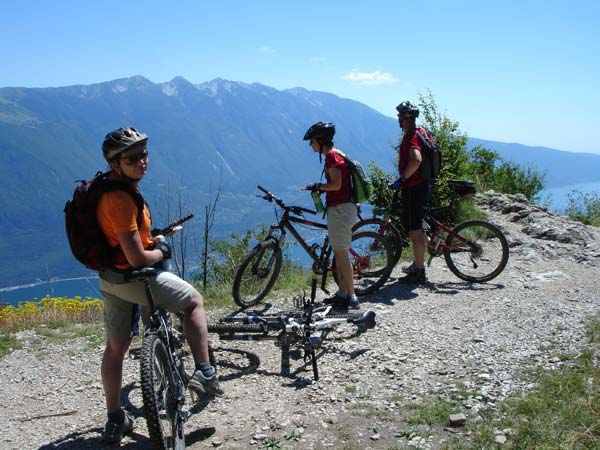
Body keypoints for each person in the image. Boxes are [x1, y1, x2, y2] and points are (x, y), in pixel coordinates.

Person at [96, 127, 223, 444]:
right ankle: (206, 374)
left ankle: (115, 418)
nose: (142, 162)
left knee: (115, 348)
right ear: (116, 163)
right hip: (133, 278)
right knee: (194, 301)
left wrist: (153, 239)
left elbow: (127, 242)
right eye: (133, 158)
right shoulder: (120, 199)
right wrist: (162, 250)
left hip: (110, 280)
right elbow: (138, 258)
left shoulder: (107, 189)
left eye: (144, 155)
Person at [302, 122, 359, 309]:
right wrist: (317, 187)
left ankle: (352, 298)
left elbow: (336, 184)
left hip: (341, 210)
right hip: (341, 208)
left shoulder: (332, 157)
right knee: (339, 254)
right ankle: (343, 293)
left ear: (320, 140)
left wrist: (317, 186)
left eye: (312, 141)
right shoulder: (335, 154)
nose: (311, 145)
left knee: (342, 256)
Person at [391, 101, 431, 284]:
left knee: (415, 231)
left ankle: (419, 272)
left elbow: (416, 159)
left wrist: (403, 178)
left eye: (400, 116)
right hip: (423, 185)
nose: (398, 119)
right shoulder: (423, 132)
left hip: (414, 188)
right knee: (417, 228)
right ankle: (418, 262)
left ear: (405, 118)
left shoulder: (411, 136)